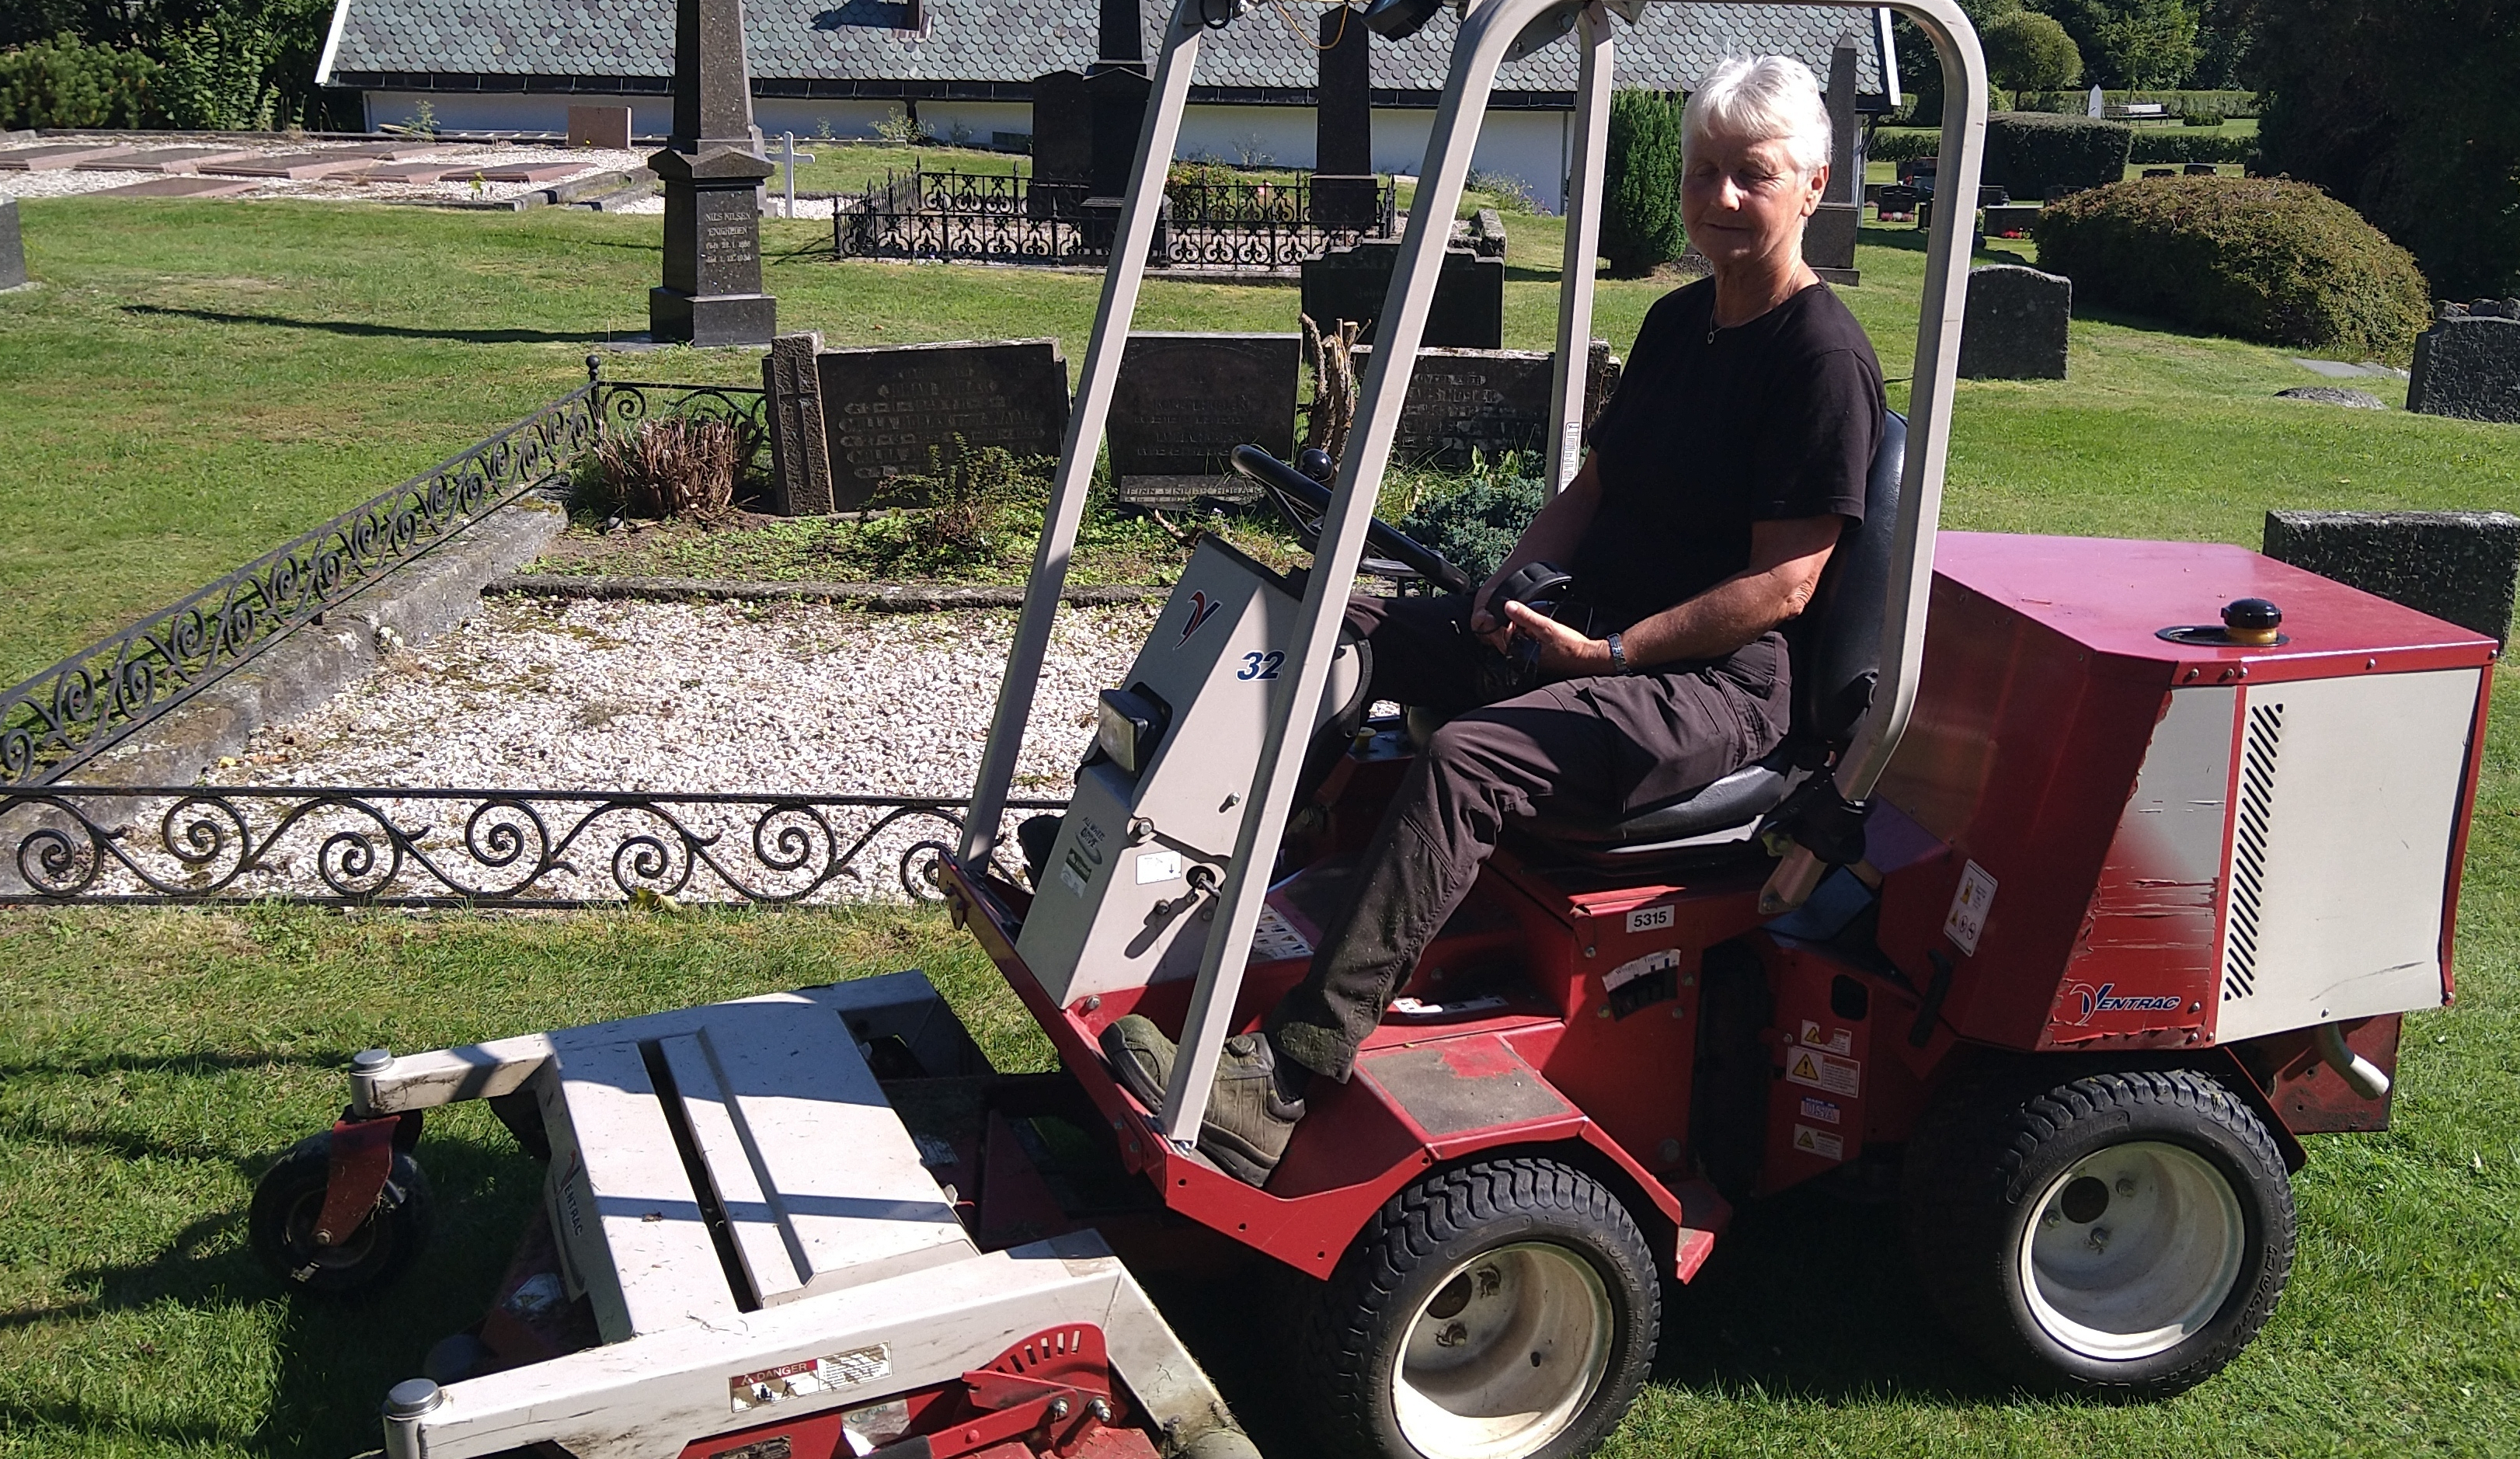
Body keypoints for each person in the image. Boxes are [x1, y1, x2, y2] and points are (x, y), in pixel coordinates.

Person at [1103, 54, 1886, 1187]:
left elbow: (1786, 585)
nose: (1719, 195)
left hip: (1711, 684)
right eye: (1703, 170)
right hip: (1593, 628)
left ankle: (1286, 1080)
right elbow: (1595, 489)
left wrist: (1609, 653)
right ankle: (1142, 881)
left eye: (1751, 174)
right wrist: (1507, 585)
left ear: (1812, 184)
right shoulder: (1681, 323)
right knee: (1317, 619)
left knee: (1469, 760)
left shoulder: (1822, 360)